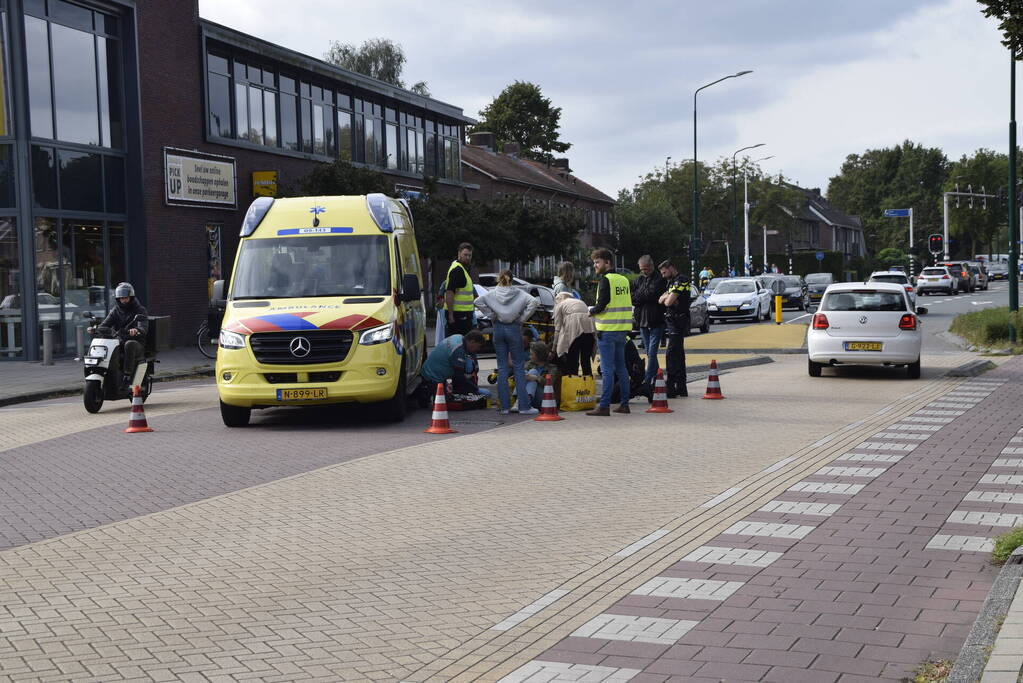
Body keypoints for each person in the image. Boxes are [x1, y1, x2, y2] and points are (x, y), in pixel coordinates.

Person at [474, 271, 539, 415]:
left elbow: (477, 302)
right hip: (514, 328)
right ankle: (524, 406)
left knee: (502, 368)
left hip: (498, 328)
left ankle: (504, 407)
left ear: (499, 279)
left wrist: (492, 315)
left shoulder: (492, 293)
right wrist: (522, 318)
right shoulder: (519, 293)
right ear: (512, 280)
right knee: (519, 367)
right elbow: (534, 302)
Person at [587, 248, 632, 416]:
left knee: (607, 370)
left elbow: (602, 304)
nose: (595, 265)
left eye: (597, 262)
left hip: (607, 331)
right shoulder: (623, 280)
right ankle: (625, 404)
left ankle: (604, 406)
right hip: (622, 330)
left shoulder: (605, 280)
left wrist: (591, 311)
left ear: (607, 263)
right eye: (594, 263)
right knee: (622, 368)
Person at [97, 282, 148, 387]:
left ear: (131, 297)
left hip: (136, 342)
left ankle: (127, 376)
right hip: (119, 341)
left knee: (129, 344)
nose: (123, 300)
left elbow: (143, 327)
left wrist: (136, 330)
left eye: (125, 298)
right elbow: (104, 325)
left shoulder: (140, 310)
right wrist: (98, 329)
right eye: (121, 298)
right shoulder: (116, 310)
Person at [632, 255, 666, 393]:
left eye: (645, 269)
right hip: (642, 320)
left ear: (652, 266)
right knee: (649, 352)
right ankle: (658, 377)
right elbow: (633, 298)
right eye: (641, 269)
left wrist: (641, 295)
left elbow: (652, 295)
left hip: (656, 320)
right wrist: (642, 295)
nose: (643, 272)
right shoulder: (638, 280)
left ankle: (646, 381)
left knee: (652, 352)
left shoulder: (660, 279)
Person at [658, 261, 691, 398]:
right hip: (673, 320)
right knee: (678, 353)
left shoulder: (681, 280)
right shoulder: (671, 282)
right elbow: (661, 299)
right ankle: (681, 387)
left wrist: (667, 297)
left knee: (671, 354)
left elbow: (667, 302)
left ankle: (671, 387)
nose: (663, 275)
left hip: (678, 320)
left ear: (671, 268)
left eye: (664, 272)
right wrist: (667, 297)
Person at [422, 330, 486, 396]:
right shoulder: (458, 350)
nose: (477, 350)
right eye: (478, 347)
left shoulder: (459, 337)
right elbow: (458, 376)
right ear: (472, 342)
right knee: (445, 400)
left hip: (429, 371)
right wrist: (476, 390)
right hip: (432, 378)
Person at [553, 292, 595, 376]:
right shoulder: (580, 302)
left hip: (574, 329)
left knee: (572, 360)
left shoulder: (560, 305)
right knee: (586, 360)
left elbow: (557, 329)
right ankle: (588, 383)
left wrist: (554, 347)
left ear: (558, 299)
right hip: (589, 329)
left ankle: (572, 382)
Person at [444, 242, 475, 337]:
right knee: (460, 341)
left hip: (463, 314)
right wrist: (451, 315)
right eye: (465, 255)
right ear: (459, 254)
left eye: (469, 255)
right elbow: (450, 292)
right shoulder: (458, 270)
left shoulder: (462, 268)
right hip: (459, 315)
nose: (468, 257)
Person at [524, 341, 551, 408]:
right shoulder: (529, 364)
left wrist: (536, 378)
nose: (529, 356)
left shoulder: (552, 368)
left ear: (539, 355)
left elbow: (550, 385)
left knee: (533, 372)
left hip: (545, 399)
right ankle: (523, 401)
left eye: (531, 354)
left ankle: (522, 402)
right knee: (524, 373)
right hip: (530, 397)